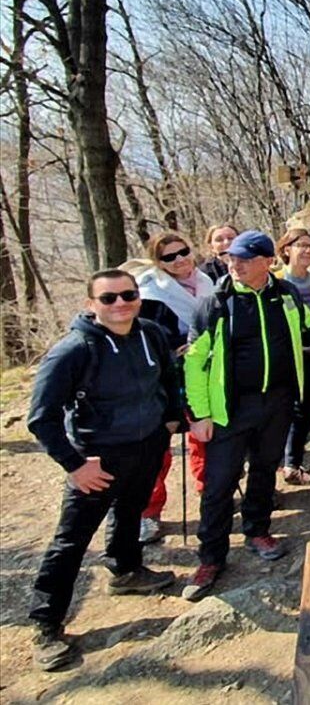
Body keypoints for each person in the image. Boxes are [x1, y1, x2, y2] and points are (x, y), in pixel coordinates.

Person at [27, 270, 182, 671]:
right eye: (109, 298)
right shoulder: (74, 350)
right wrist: (75, 465)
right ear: (90, 304)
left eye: (128, 295)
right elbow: (41, 418)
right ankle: (46, 623)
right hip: (98, 458)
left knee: (130, 511)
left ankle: (126, 570)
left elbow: (167, 377)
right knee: (71, 540)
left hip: (146, 444)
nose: (120, 304)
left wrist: (169, 419)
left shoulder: (150, 332)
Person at [181, 231, 310, 602]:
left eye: (244, 259)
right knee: (219, 484)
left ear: (267, 262)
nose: (235, 265)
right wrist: (198, 414)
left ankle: (257, 529)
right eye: (232, 258)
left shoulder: (286, 295)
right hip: (229, 409)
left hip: (277, 403)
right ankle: (211, 558)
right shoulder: (215, 302)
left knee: (264, 469)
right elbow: (194, 364)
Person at [135, 232, 214, 545]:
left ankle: (209, 489)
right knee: (158, 448)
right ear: (158, 262)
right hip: (165, 377)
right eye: (169, 257)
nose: (180, 259)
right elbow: (144, 337)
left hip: (205, 371)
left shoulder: (207, 282)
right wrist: (172, 351)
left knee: (204, 434)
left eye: (183, 252)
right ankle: (148, 511)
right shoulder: (149, 292)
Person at [273, 228, 310, 485]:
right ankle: (282, 462)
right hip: (284, 356)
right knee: (283, 410)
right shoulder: (274, 280)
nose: (307, 250)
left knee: (304, 408)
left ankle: (292, 463)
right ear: (286, 249)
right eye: (301, 245)